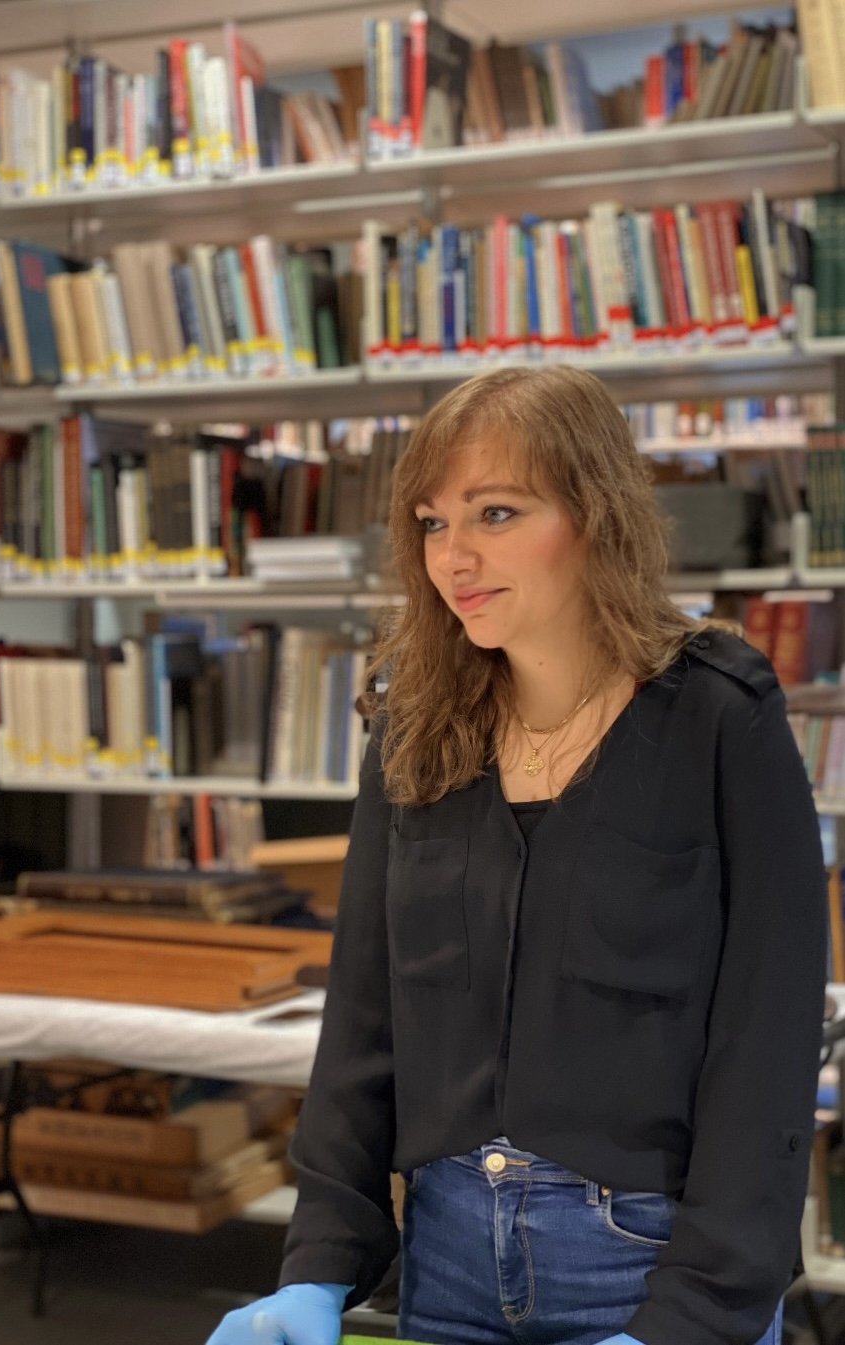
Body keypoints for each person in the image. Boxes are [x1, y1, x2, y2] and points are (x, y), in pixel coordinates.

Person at [207, 365, 827, 1345]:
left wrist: (693, 1314)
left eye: (495, 512)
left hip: (655, 1270)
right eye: (431, 521)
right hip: (446, 1264)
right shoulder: (411, 721)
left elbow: (768, 1037)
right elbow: (364, 1015)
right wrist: (317, 1267)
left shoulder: (718, 713)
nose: (454, 556)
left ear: (594, 512)